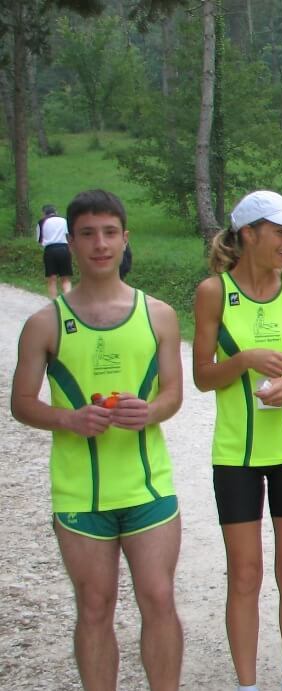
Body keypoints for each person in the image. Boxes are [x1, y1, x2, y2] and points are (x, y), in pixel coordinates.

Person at [11, 189, 184, 690]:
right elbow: (21, 403)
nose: (100, 244)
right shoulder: (44, 322)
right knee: (93, 605)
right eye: (88, 234)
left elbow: (173, 395)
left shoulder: (160, 315)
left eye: (110, 233)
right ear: (71, 242)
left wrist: (148, 410)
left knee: (158, 598)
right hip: (80, 492)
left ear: (126, 239)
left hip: (149, 487)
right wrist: (69, 420)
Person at [193, 190, 282, 691]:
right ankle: (247, 684)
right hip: (236, 454)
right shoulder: (213, 293)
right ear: (249, 234)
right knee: (244, 576)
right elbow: (203, 376)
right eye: (281, 232)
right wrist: (243, 361)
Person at [37, 203, 73, 298]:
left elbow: (39, 240)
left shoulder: (42, 222)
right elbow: (69, 236)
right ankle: (68, 302)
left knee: (52, 280)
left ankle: (54, 302)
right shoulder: (64, 220)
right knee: (66, 279)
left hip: (50, 250)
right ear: (55, 211)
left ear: (44, 213)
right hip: (64, 249)